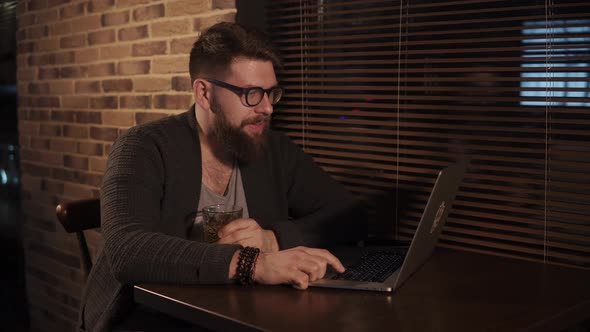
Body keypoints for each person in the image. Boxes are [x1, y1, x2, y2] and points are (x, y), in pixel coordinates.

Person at [79, 22, 366, 332]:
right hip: (145, 319)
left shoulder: (274, 150)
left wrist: (273, 239)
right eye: (252, 94)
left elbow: (351, 216)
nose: (268, 108)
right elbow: (127, 250)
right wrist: (252, 263)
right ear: (204, 93)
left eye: (271, 93)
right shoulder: (143, 146)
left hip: (235, 317)